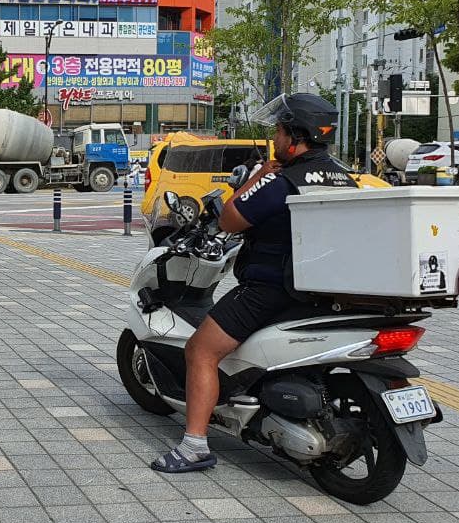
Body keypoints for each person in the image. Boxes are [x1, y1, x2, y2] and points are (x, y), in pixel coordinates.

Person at [151, 93, 358, 474]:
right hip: (323, 289)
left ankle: (194, 446)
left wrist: (257, 179)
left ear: (295, 135)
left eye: (279, 131)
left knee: (200, 350)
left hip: (271, 287)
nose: (275, 139)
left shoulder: (281, 179)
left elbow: (230, 221)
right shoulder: (342, 176)